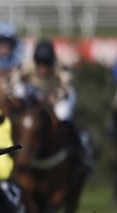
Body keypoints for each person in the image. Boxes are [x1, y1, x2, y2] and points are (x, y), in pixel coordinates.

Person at [10, 38, 91, 170]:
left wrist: (53, 98)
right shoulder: (26, 65)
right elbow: (12, 82)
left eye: (46, 63)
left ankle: (80, 147)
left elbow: (66, 87)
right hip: (36, 93)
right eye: (40, 63)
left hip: (59, 93)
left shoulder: (61, 66)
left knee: (63, 115)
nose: (43, 68)